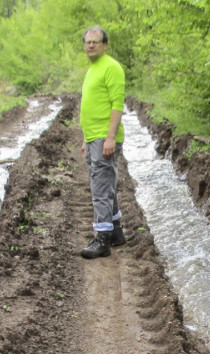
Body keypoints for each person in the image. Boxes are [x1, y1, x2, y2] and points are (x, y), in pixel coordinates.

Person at [79, 25, 126, 259]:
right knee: (106, 184)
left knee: (100, 188)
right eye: (88, 42)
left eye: (95, 42)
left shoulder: (112, 68)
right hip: (93, 138)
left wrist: (109, 137)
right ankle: (116, 231)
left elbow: (117, 105)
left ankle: (102, 239)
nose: (91, 45)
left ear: (105, 45)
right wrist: (86, 140)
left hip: (104, 138)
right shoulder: (92, 69)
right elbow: (91, 106)